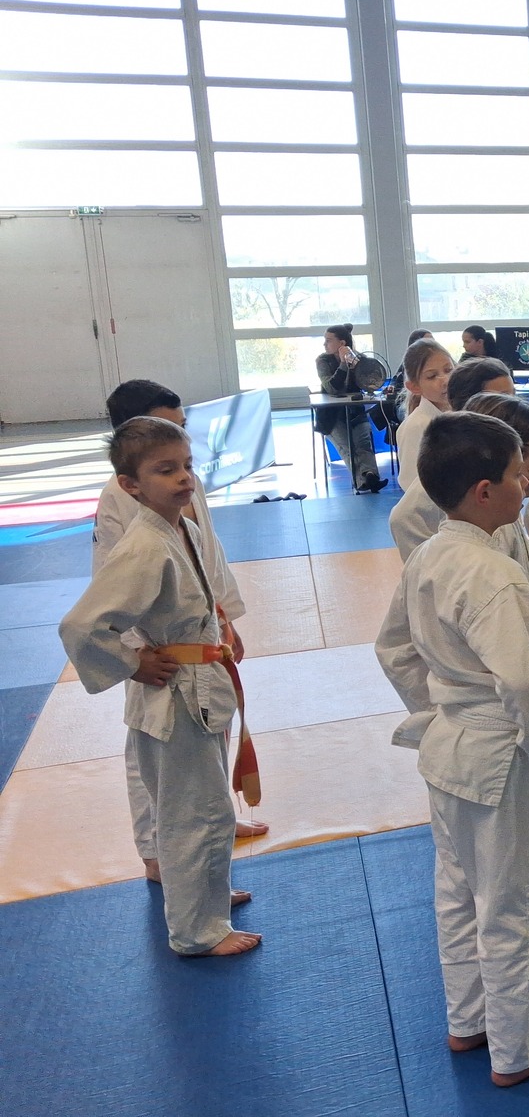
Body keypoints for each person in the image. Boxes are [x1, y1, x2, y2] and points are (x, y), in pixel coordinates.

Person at [375, 411, 529, 1086]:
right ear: (485, 490)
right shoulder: (493, 573)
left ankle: (471, 1022)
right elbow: (524, 680)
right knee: (515, 905)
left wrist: (441, 706)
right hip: (500, 754)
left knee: (460, 893)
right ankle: (516, 1051)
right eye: (520, 475)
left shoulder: (431, 554)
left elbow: (394, 649)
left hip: (449, 748)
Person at [60, 417, 260, 957]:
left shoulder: (181, 530)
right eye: (165, 470)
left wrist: (222, 629)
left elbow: (196, 601)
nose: (183, 478)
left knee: (208, 809)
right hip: (174, 697)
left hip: (198, 688)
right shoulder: (145, 545)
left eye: (187, 466)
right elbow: (81, 626)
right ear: (130, 485)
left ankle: (207, 900)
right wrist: (132, 662)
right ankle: (197, 932)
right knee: (191, 815)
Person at [93, 380, 266, 875]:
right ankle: (154, 849)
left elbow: (207, 553)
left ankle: (217, 816)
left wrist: (223, 618)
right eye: (164, 434)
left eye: (182, 432)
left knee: (212, 724)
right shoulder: (119, 499)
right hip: (156, 647)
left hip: (200, 633)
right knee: (153, 751)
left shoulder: (187, 481)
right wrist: (132, 657)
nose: (180, 459)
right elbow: (113, 584)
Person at [389, 362, 516, 561]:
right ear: (471, 407)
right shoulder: (452, 465)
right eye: (501, 398)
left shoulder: (500, 455)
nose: (514, 406)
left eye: (513, 396)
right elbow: (403, 518)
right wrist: (437, 567)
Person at [315, 323, 389, 493]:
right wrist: (343, 364)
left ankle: (371, 476)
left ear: (342, 343)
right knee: (348, 447)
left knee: (364, 444)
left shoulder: (359, 358)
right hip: (331, 416)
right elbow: (332, 388)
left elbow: (371, 383)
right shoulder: (322, 361)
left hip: (356, 411)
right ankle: (364, 481)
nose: (324, 344)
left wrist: (356, 365)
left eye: (328, 340)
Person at [396, 338, 455, 493]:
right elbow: (411, 485)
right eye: (432, 376)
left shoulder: (461, 415)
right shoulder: (415, 426)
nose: (445, 380)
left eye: (448, 370)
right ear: (414, 387)